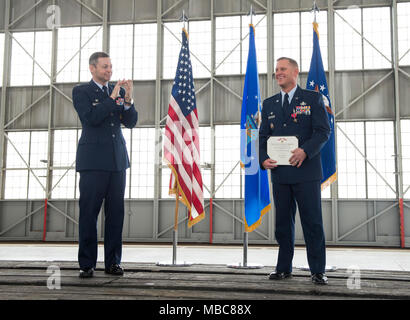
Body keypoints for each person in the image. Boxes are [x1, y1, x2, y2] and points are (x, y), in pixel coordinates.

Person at [259, 57, 330, 285]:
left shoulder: (312, 98)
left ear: (295, 72)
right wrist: (263, 160)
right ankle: (283, 267)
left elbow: (322, 131)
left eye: (283, 69)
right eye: (276, 69)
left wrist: (305, 151)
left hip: (306, 173)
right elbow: (262, 138)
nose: (278, 73)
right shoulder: (269, 104)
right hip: (280, 174)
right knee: (282, 224)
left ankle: (317, 270)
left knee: (312, 222)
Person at [72, 52, 138, 278]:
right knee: (89, 214)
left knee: (116, 214)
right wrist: (111, 98)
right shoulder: (81, 91)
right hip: (92, 163)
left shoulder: (118, 93)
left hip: (117, 162)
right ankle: (87, 264)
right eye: (104, 67)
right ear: (92, 68)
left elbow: (130, 123)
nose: (109, 70)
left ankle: (113, 263)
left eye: (110, 67)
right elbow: (91, 118)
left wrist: (127, 99)